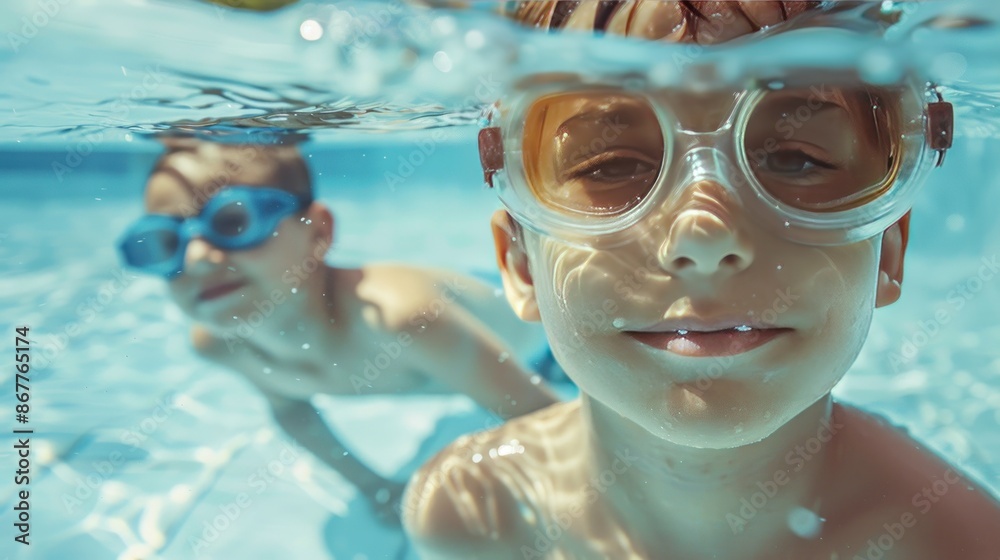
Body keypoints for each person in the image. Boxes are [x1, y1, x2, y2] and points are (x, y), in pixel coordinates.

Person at [402, 2, 1000, 558]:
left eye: (794, 159)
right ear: (522, 266)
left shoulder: (961, 544)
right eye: (613, 164)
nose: (702, 235)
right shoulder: (471, 512)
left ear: (889, 251)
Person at [118, 138, 559, 524]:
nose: (195, 258)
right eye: (164, 242)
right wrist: (373, 486)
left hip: (544, 337)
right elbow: (291, 409)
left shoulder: (402, 321)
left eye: (233, 221)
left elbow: (543, 419)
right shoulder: (220, 345)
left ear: (319, 231)